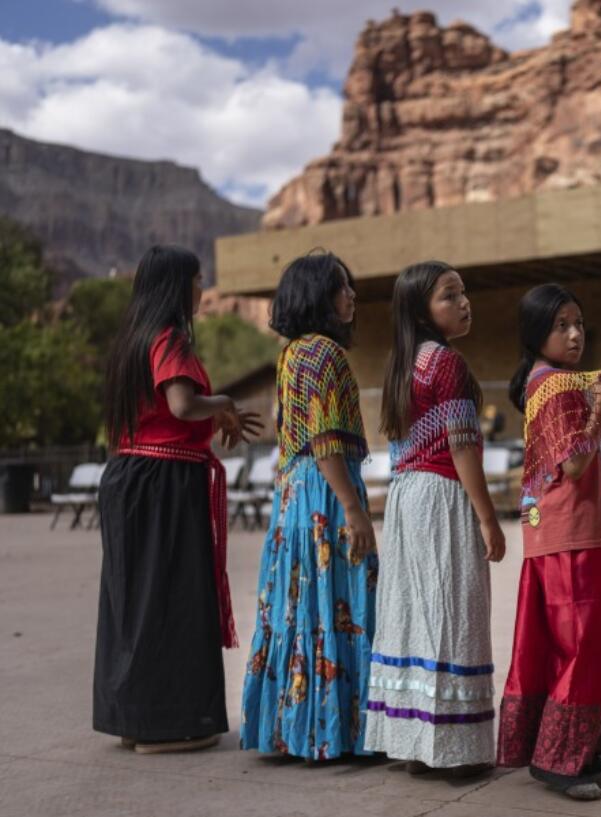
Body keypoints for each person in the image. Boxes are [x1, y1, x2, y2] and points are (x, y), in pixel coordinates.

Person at [96, 244, 261, 753]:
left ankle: (135, 719)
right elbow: (183, 404)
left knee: (135, 600)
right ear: (176, 286)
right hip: (165, 482)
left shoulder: (130, 342)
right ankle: (170, 726)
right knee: (175, 599)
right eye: (195, 280)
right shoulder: (170, 339)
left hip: (129, 476)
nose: (200, 290)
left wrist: (214, 417)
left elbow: (165, 412)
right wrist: (227, 403)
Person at [364, 261, 506, 775]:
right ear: (421, 310)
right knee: (453, 610)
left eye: (463, 292)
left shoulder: (404, 362)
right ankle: (455, 750)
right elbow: (462, 445)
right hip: (443, 495)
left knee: (416, 617)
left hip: (407, 498)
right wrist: (488, 517)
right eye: (450, 295)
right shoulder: (446, 363)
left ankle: (419, 742)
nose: (464, 302)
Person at [240, 251, 377, 760]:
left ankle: (297, 729)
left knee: (300, 605)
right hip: (325, 492)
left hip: (295, 493)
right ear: (318, 296)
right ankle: (337, 733)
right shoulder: (325, 354)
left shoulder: (292, 352)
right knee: (340, 604)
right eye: (342, 287)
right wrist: (354, 509)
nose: (352, 296)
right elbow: (324, 440)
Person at [496, 284, 601, 800]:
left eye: (578, 323)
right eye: (561, 326)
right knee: (590, 643)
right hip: (574, 531)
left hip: (549, 530)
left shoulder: (538, 382)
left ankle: (570, 747)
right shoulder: (560, 387)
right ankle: (561, 760)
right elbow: (575, 462)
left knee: (556, 645)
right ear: (537, 334)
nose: (575, 335)